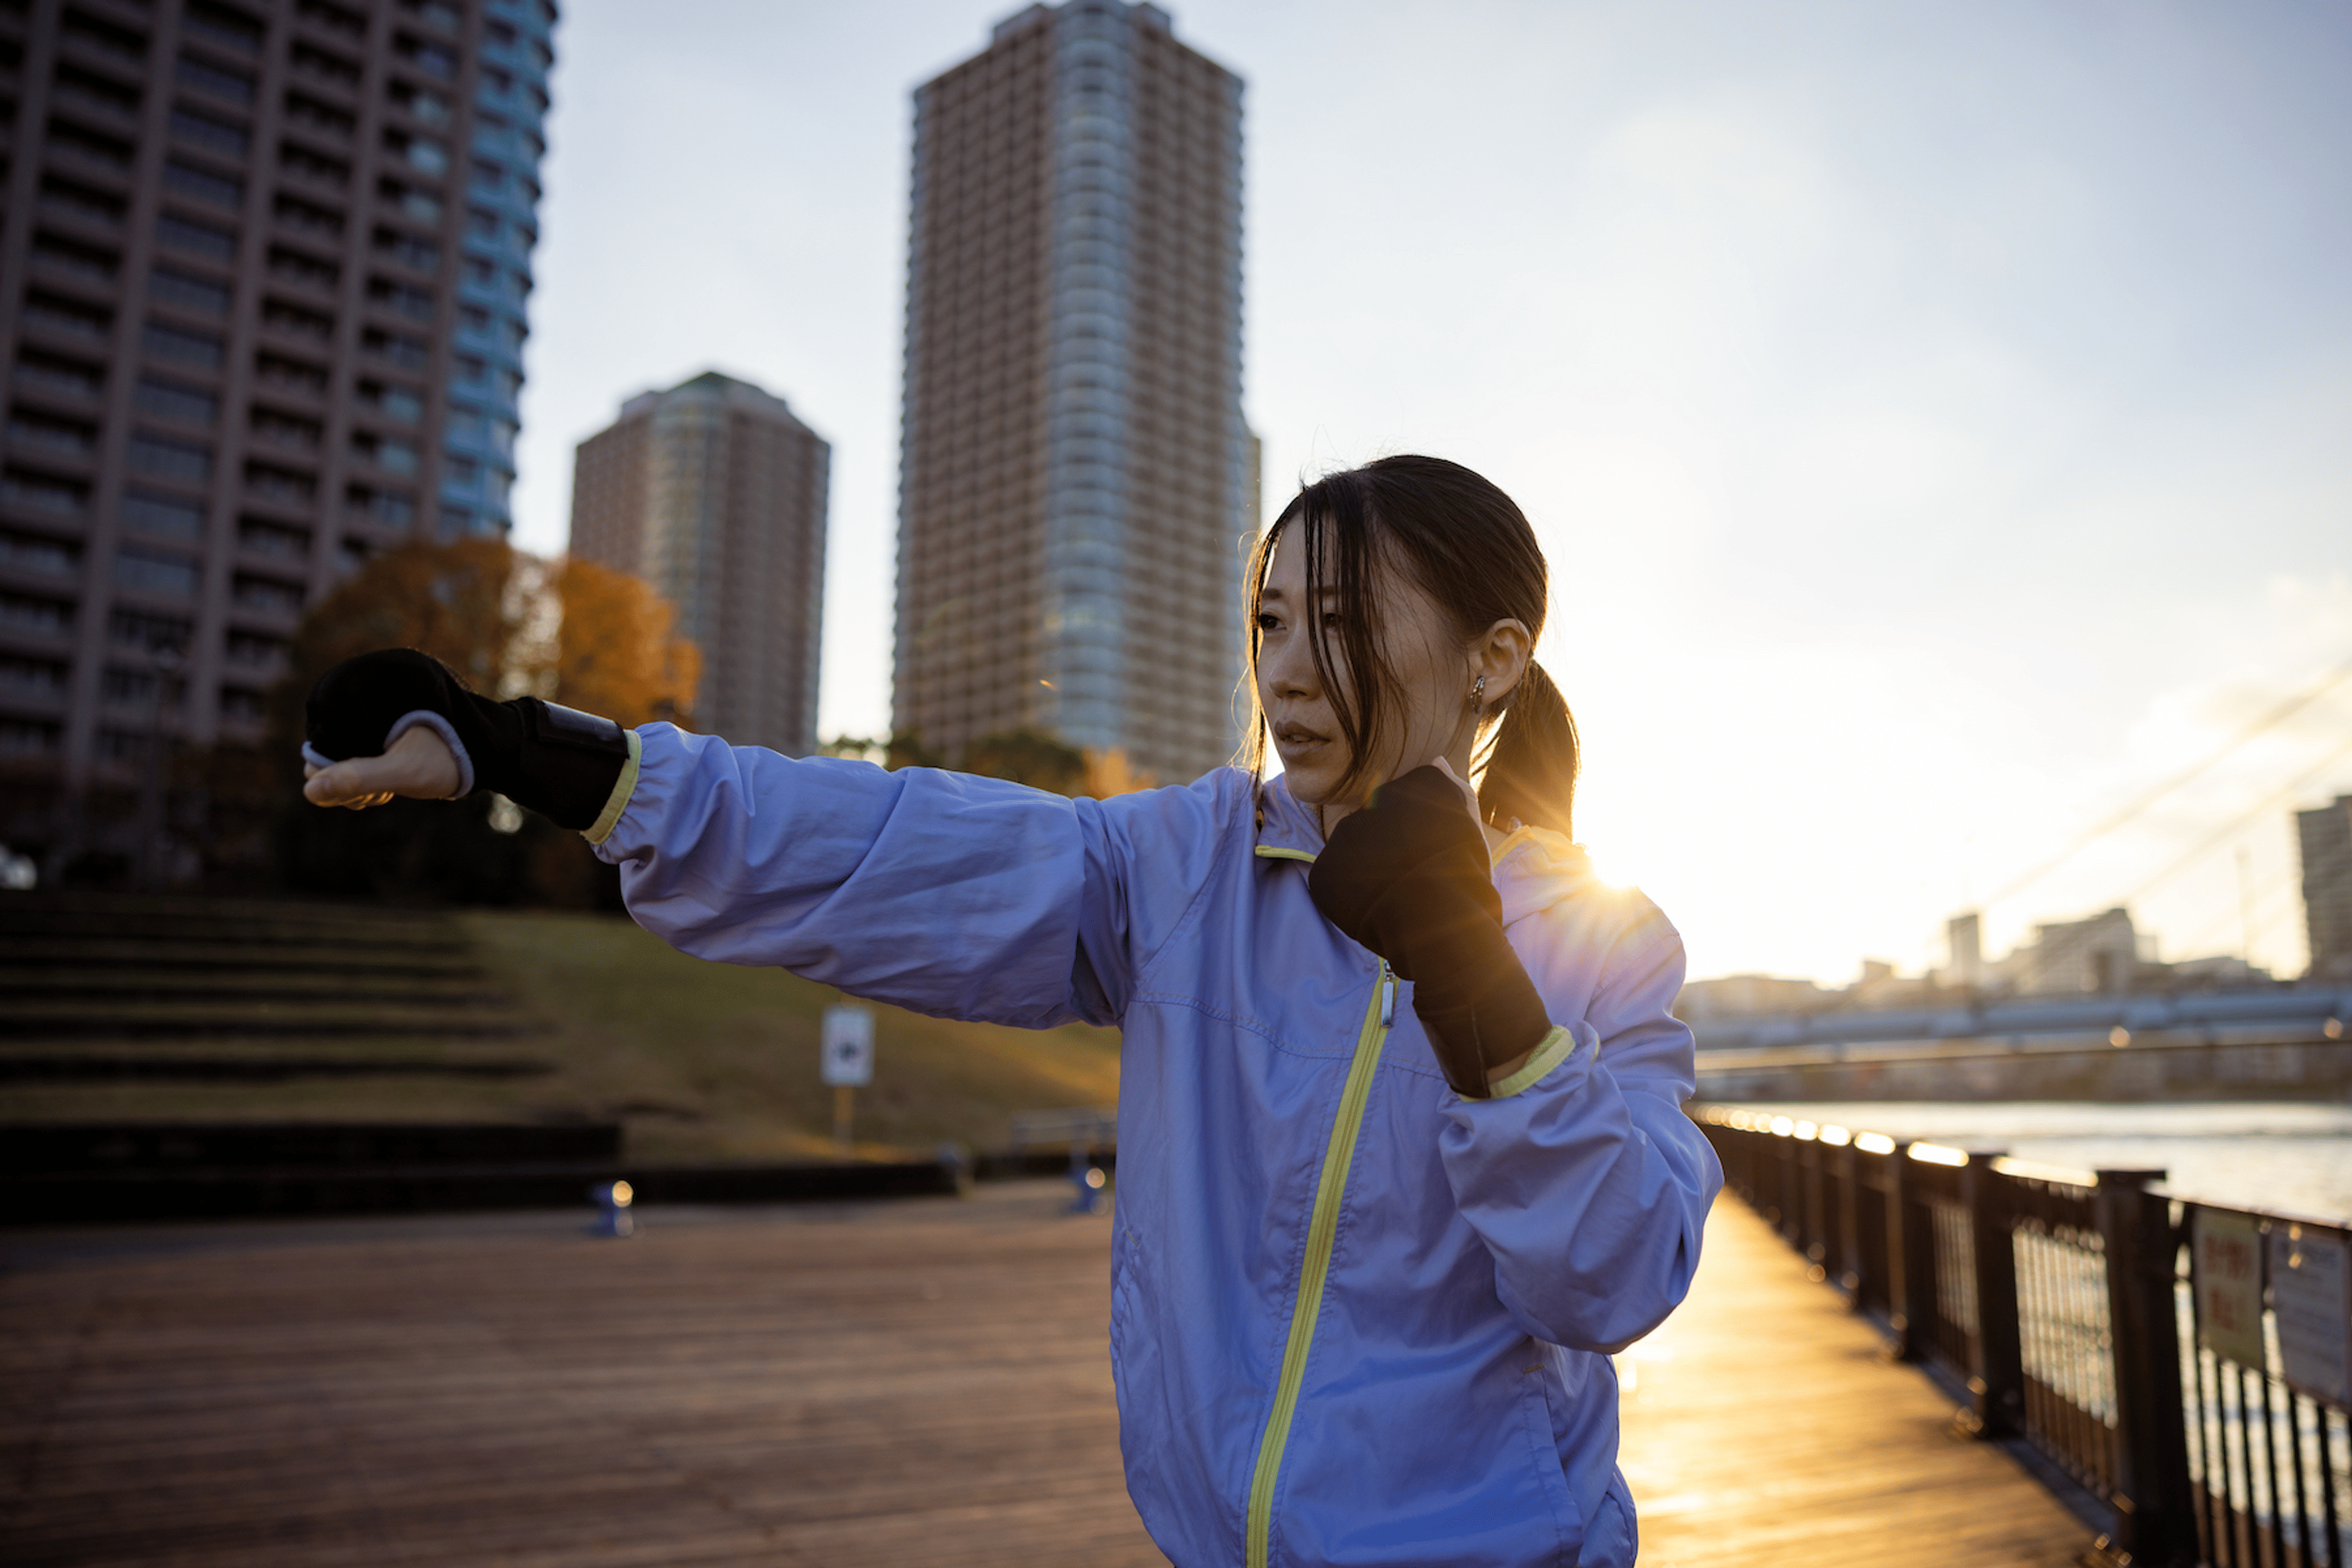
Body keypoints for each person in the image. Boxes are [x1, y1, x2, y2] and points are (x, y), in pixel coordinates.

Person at [302, 454, 1721, 1567]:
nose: (1286, 667)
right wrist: (535, 751)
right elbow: (890, 845)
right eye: (1270, 620)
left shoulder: (1602, 941)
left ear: (1493, 656)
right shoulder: (1187, 864)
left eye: (1339, 621)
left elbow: (1612, 1277)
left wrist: (1475, 979)